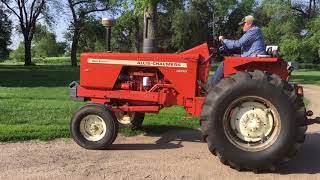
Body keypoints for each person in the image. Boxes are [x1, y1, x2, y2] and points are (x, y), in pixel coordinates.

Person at [210, 15, 267, 86]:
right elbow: (239, 48)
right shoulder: (253, 32)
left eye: (243, 24)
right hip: (250, 57)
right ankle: (214, 84)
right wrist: (220, 50)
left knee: (225, 63)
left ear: (249, 24)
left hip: (253, 58)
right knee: (228, 60)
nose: (242, 26)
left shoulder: (254, 31)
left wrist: (224, 40)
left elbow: (238, 43)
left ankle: (212, 85)